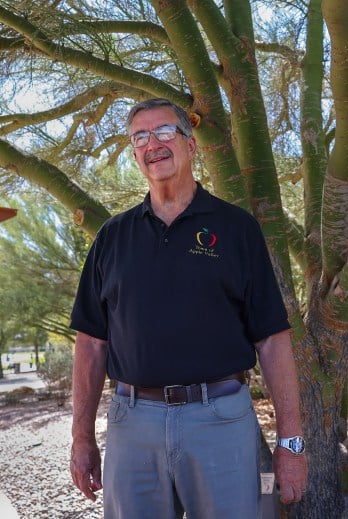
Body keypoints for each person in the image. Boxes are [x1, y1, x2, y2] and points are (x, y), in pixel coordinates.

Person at [69, 98, 308, 518]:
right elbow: (90, 343)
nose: (152, 144)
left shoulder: (236, 229)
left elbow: (271, 339)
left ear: (192, 146)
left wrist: (291, 443)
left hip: (220, 419)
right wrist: (81, 437)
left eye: (164, 132)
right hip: (131, 425)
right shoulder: (111, 237)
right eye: (139, 137)